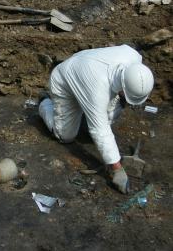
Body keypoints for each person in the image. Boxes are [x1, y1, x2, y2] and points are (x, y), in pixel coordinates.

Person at [39, 44, 154, 194]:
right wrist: (117, 169)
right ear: (123, 87)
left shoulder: (134, 58)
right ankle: (45, 102)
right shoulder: (97, 90)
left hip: (87, 69)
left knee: (99, 122)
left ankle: (85, 115)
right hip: (65, 82)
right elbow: (101, 131)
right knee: (65, 136)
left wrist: (123, 99)